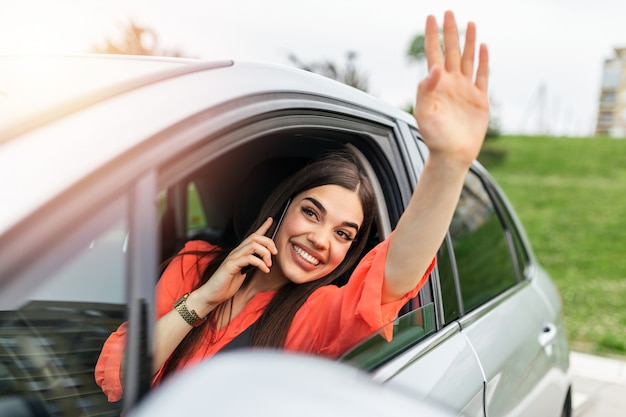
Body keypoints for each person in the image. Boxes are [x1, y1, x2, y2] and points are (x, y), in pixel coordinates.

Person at [95, 9, 490, 402]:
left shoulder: (311, 317)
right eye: (311, 212)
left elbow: (396, 272)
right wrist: (202, 299)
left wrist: (448, 164)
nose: (320, 240)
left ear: (350, 252)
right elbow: (119, 377)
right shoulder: (195, 265)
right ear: (282, 208)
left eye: (343, 234)